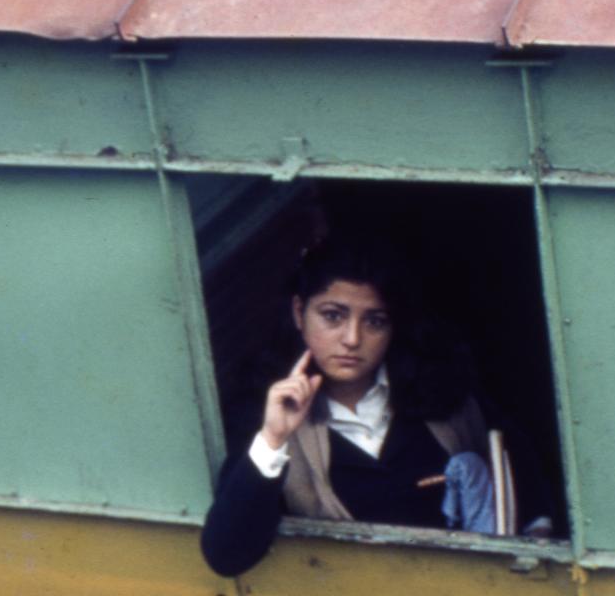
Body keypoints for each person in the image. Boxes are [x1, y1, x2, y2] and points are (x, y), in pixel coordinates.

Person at [200, 245, 551, 577]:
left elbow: (515, 457)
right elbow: (226, 556)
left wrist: (536, 529)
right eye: (332, 316)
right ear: (298, 313)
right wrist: (274, 439)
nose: (352, 339)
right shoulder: (267, 417)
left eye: (375, 321)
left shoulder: (441, 396)